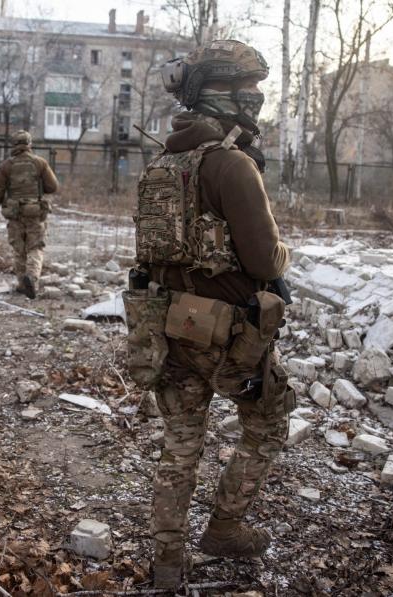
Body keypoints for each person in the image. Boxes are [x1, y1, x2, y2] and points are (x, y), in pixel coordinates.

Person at [131, 40, 295, 588]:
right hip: (229, 335)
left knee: (180, 442)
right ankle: (225, 527)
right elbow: (264, 260)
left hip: (166, 326)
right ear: (225, 95)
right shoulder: (230, 164)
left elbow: (151, 255)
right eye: (250, 91)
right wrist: (285, 254)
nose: (256, 101)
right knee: (268, 421)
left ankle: (168, 563)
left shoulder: (162, 162)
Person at [0, 130, 59, 299]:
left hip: (14, 213)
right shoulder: (40, 163)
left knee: (19, 249)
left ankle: (22, 283)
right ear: (29, 144)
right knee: (35, 247)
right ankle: (32, 278)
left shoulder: (6, 166)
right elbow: (53, 187)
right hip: (35, 212)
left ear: (14, 145)